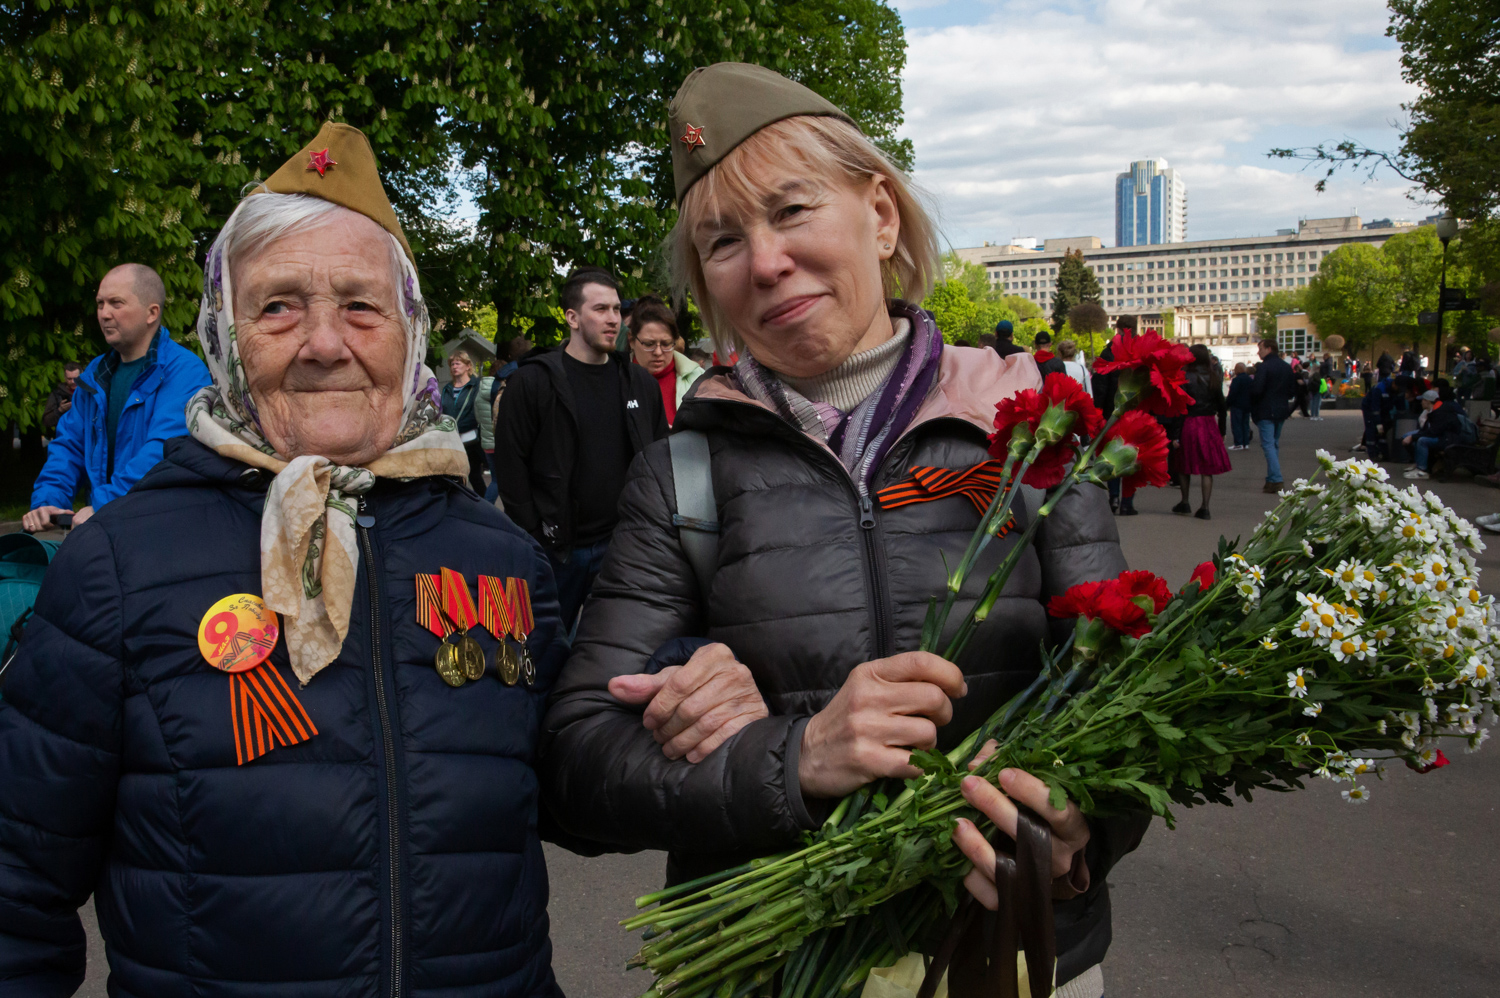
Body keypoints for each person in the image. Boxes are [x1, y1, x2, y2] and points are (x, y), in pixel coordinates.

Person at [540, 62, 1147, 998]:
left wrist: (1080, 829)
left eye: (790, 210)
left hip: (1011, 959)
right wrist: (797, 756)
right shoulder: (681, 473)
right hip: (771, 968)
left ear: (881, 213)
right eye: (723, 242)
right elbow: (578, 764)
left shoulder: (1029, 431)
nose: (766, 260)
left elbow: (1129, 702)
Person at [0, 123, 565, 998]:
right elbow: (17, 884)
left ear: (409, 329)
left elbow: (583, 792)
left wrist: (712, 720)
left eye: (361, 306)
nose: (325, 343)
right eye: (278, 307)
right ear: (225, 339)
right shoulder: (115, 563)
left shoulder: (505, 560)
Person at [494, 266, 669, 627]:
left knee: (615, 650)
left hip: (623, 547)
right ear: (572, 317)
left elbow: (658, 459)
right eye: (601, 309)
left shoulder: (638, 383)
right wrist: (535, 533)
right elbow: (511, 466)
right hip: (558, 551)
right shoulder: (532, 382)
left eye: (617, 310)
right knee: (546, 647)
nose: (613, 320)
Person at [21, 264, 210, 533]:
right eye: (100, 304)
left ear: (151, 313)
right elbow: (69, 446)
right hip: (105, 532)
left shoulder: (185, 372)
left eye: (116, 303)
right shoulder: (95, 374)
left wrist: (105, 503)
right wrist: (49, 501)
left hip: (161, 533)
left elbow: (164, 452)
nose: (104, 314)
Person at [628, 294, 706, 425]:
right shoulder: (616, 379)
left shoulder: (698, 378)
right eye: (649, 344)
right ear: (631, 340)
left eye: (666, 344)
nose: (658, 352)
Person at [1174, 344, 1231, 519]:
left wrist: (1175, 434)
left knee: (1184, 464)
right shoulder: (1213, 377)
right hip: (1208, 423)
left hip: (1189, 423)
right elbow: (1222, 407)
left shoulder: (1185, 376)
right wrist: (1222, 430)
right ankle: (1205, 507)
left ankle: (1185, 502)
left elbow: (1180, 407)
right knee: (1208, 468)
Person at [1250, 337, 1296, 494]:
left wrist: (1254, 404)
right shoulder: (1285, 366)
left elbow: (1257, 390)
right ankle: (1271, 479)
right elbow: (1292, 390)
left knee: (1269, 445)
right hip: (1281, 409)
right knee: (1273, 443)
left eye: (1261, 348)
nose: (1259, 352)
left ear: (1269, 348)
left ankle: (1275, 479)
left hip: (1265, 409)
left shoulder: (1264, 367)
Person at [441, 347, 489, 494]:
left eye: (458, 363)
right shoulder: (447, 388)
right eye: (452, 364)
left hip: (471, 438)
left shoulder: (476, 386)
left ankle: (484, 506)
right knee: (454, 476)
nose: (454, 367)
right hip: (452, 438)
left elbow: (479, 411)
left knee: (474, 475)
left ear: (468, 366)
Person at [1400, 389, 1464, 479]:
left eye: (1423, 400)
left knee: (1422, 441)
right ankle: (1418, 462)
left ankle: (1422, 470)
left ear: (1427, 401)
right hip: (1441, 436)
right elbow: (1427, 429)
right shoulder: (1433, 410)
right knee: (1407, 436)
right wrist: (1412, 436)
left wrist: (1413, 437)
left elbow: (1434, 432)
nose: (1421, 402)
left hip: (1447, 439)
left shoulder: (1440, 413)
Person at [40, 361, 83, 439]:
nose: (73, 382)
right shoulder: (57, 394)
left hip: (86, 438)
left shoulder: (88, 392)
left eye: (76, 379)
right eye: (69, 379)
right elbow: (46, 421)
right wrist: (60, 410)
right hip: (64, 438)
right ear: (64, 378)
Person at [1226, 361, 1254, 450]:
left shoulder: (1236, 380)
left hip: (1237, 405)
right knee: (1245, 424)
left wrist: (1227, 404)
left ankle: (1238, 443)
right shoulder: (1250, 379)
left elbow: (1232, 394)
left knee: (1236, 424)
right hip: (1247, 405)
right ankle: (1246, 443)